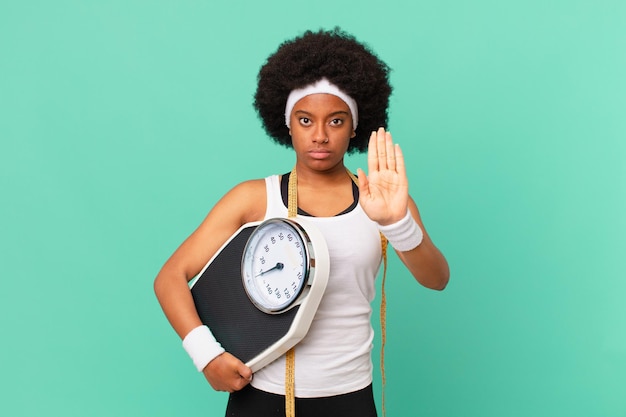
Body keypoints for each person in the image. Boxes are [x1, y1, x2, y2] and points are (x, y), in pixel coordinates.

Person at [154, 28, 449, 417]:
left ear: (355, 127)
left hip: (350, 398)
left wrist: (397, 223)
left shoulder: (384, 202)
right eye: (306, 120)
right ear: (287, 123)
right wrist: (206, 355)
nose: (321, 136)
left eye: (337, 121)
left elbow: (436, 278)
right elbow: (170, 277)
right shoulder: (253, 198)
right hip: (261, 396)